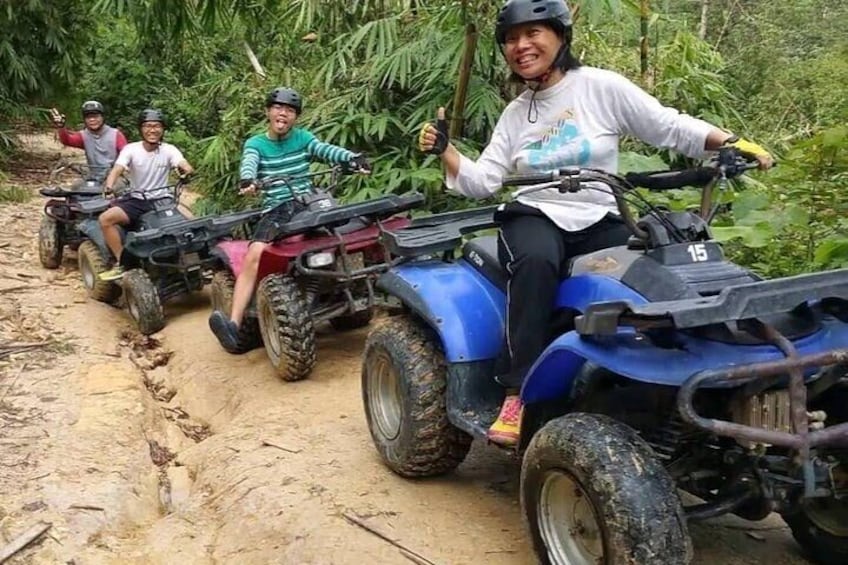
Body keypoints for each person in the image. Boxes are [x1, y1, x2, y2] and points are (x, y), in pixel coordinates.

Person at [417, 0, 774, 447]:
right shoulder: (514, 114)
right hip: (535, 213)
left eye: (533, 34)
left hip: (600, 214)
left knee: (651, 266)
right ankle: (517, 391)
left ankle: (661, 381)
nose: (521, 46)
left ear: (560, 36)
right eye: (511, 39)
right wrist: (446, 151)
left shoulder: (600, 87)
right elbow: (484, 182)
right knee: (536, 265)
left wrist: (731, 142)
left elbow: (667, 126)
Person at [208, 87, 371, 353]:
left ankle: (355, 289)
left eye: (290, 110)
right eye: (278, 107)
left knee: (353, 233)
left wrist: (352, 159)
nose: (283, 113)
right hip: (276, 208)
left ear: (295, 117)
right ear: (268, 112)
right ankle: (234, 325)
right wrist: (248, 180)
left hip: (309, 203)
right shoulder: (256, 144)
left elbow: (326, 150)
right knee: (255, 253)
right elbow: (249, 162)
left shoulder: (304, 138)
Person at [98, 109, 194, 281]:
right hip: (137, 200)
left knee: (192, 220)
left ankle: (194, 260)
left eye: (157, 126)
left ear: (163, 129)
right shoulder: (131, 149)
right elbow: (117, 169)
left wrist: (186, 171)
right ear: (141, 129)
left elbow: (183, 164)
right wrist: (109, 185)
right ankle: (122, 262)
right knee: (105, 219)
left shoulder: (169, 149)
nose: (152, 130)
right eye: (148, 126)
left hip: (163, 199)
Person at [50, 101, 127, 182]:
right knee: (76, 188)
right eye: (88, 117)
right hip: (93, 176)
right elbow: (67, 140)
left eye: (96, 116)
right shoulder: (84, 135)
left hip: (115, 176)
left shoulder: (115, 134)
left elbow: (126, 154)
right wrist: (61, 127)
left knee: (113, 190)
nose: (92, 119)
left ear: (103, 117)